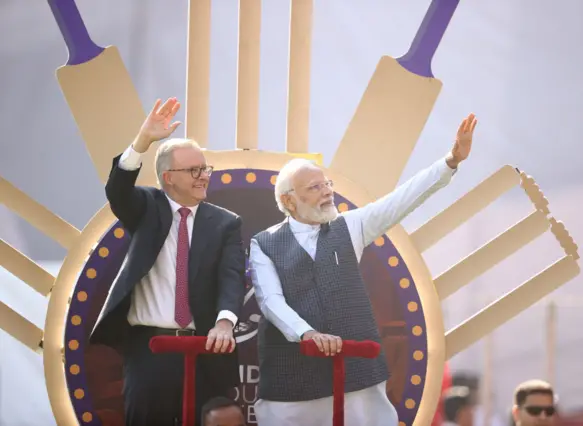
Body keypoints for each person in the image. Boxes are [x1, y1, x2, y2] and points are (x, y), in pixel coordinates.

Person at [248, 113, 478, 425]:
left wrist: (451, 161)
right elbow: (271, 302)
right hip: (292, 382)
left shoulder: (350, 225)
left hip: (357, 377)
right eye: (315, 187)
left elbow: (401, 200)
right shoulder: (264, 243)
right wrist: (307, 334)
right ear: (289, 200)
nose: (327, 192)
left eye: (326, 184)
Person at [90, 97, 246, 426]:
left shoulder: (226, 222)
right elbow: (118, 190)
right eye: (194, 170)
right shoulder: (147, 207)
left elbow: (232, 278)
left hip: (206, 349)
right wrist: (142, 141)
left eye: (205, 168)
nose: (204, 176)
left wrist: (225, 322)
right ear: (169, 177)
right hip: (150, 351)